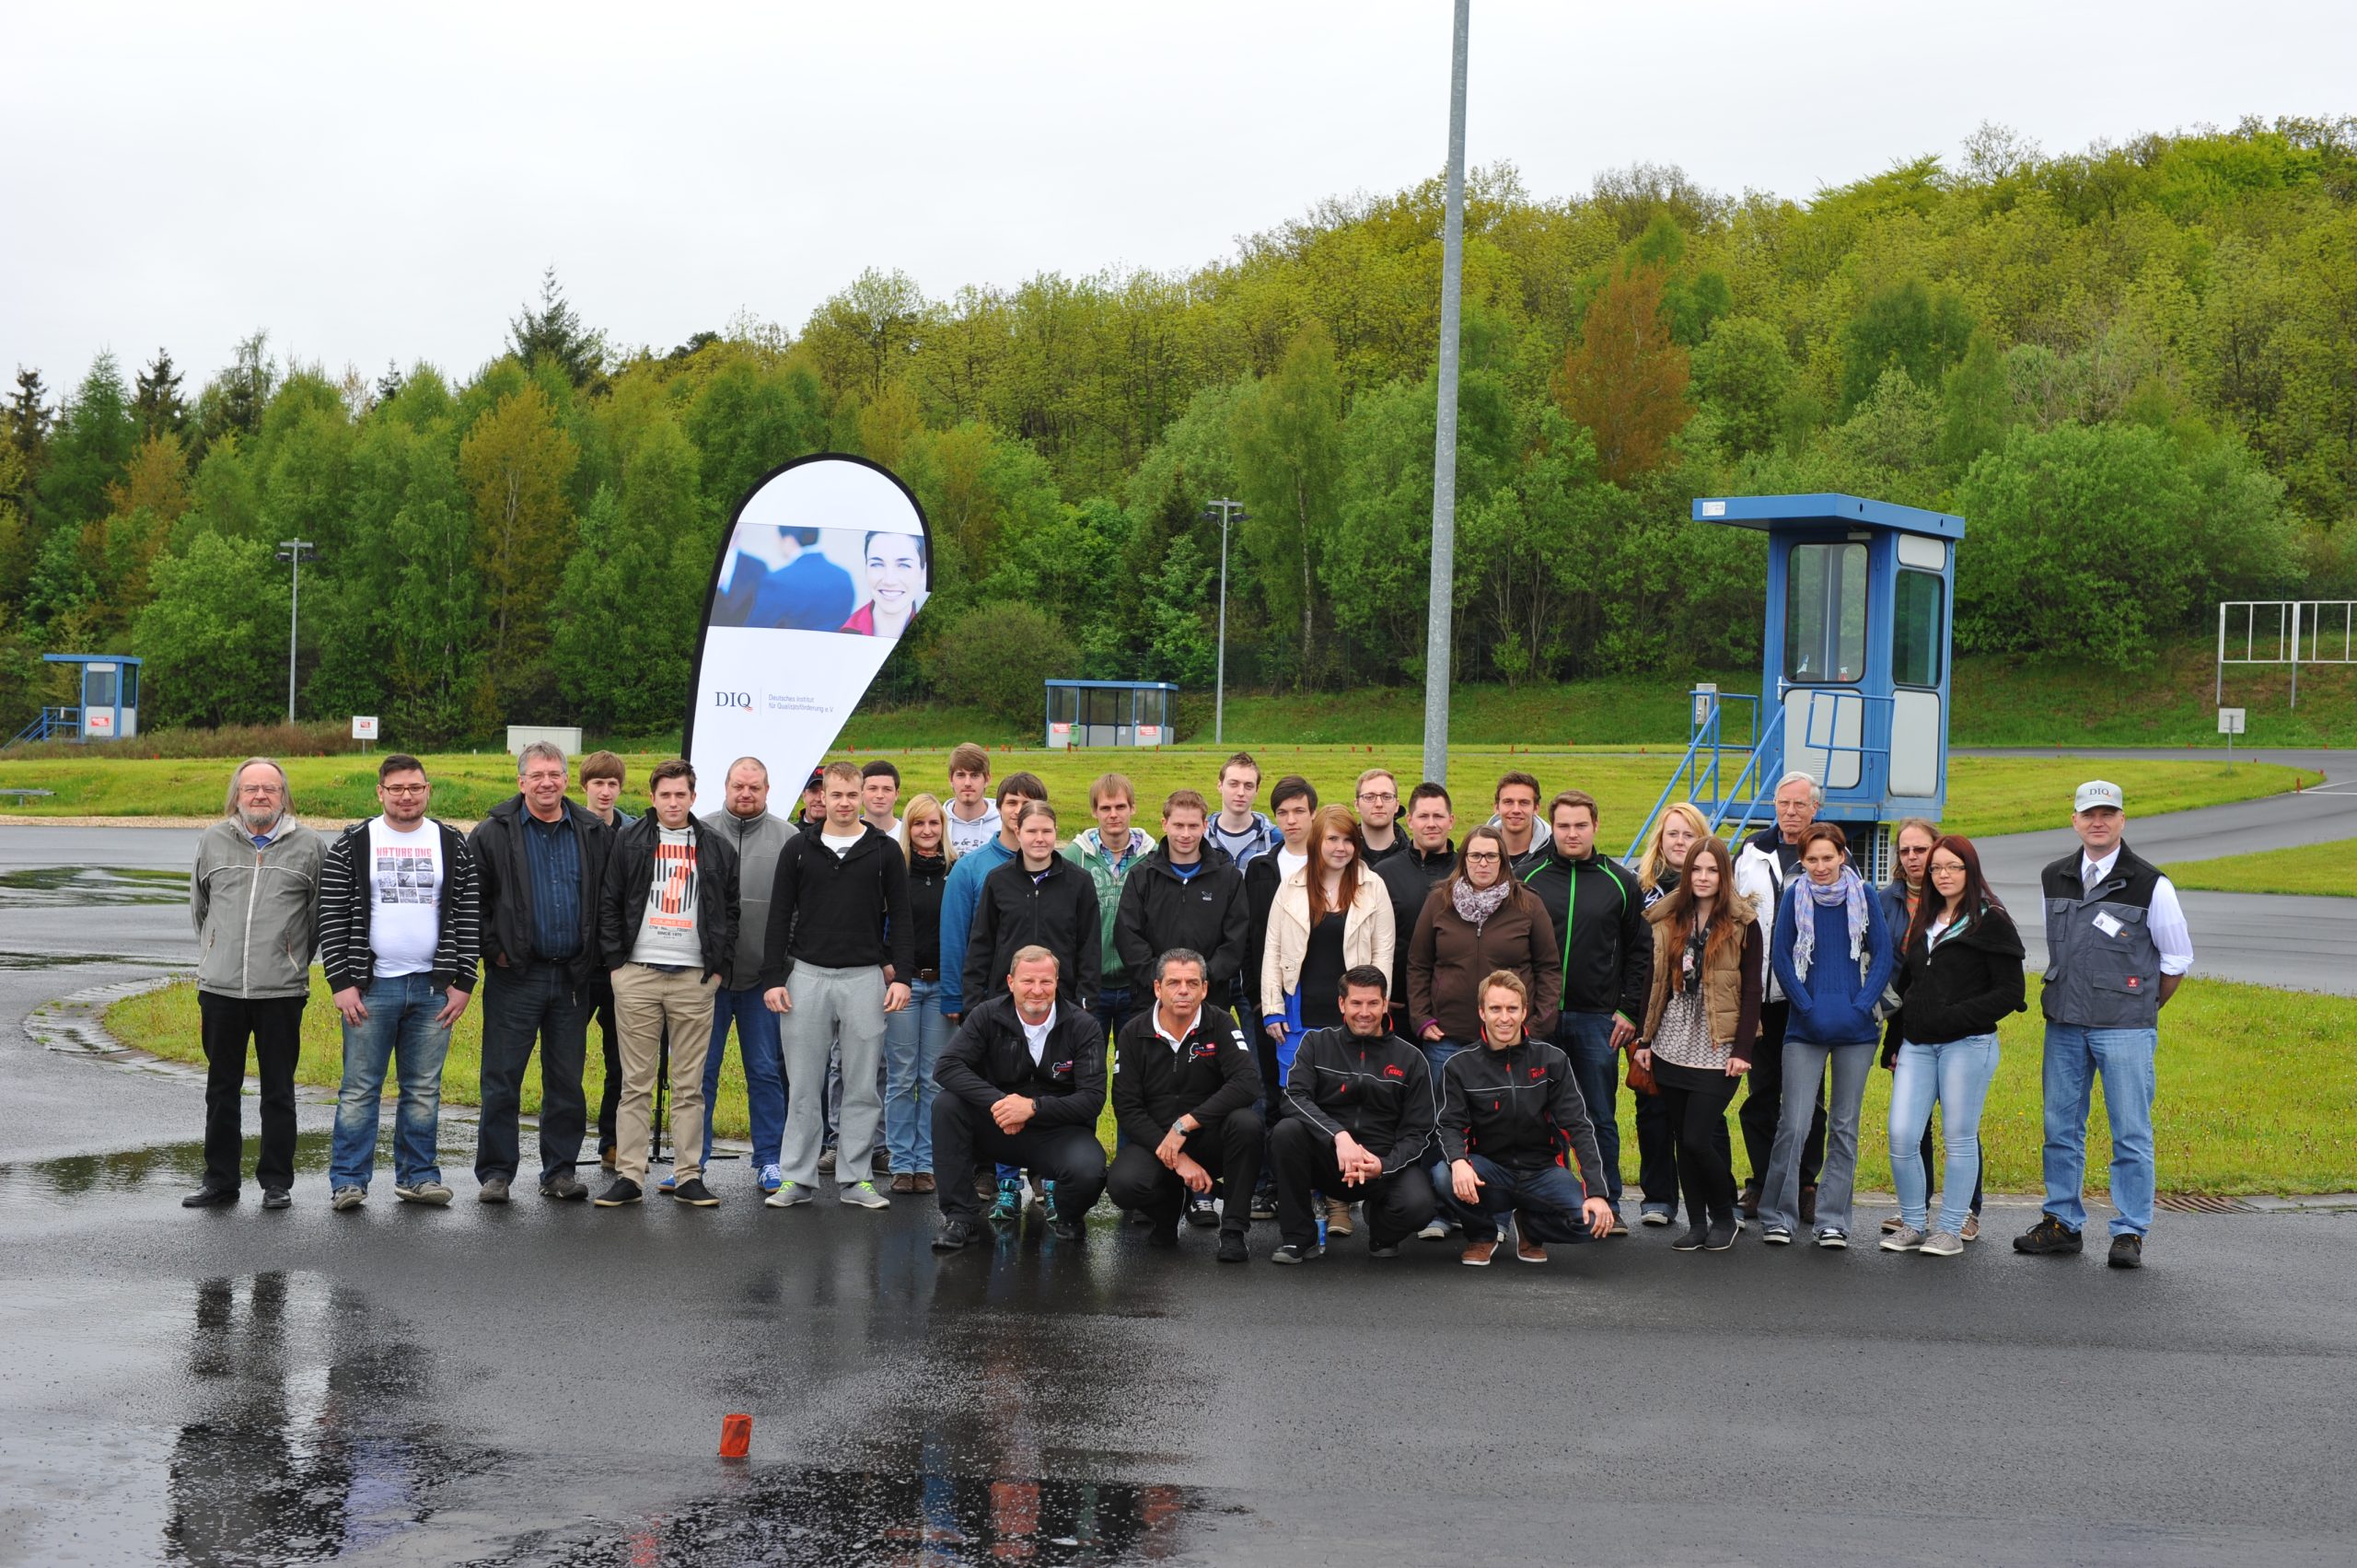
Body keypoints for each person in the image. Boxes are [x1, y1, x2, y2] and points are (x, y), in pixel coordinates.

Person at [2015, 780, 2194, 1270]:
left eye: (2108, 813)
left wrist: (2139, 1008)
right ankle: (2062, 1223)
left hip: (2125, 1028)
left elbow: (2176, 960)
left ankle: (2130, 1230)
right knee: (2060, 1127)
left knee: (2131, 1131)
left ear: (2122, 820)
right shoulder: (2054, 875)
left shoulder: (2151, 883)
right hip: (2066, 1024)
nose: (2098, 822)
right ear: (2074, 820)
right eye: (2089, 814)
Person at [319, 755, 481, 1211]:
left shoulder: (451, 842)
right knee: (359, 1088)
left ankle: (418, 1178)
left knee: (424, 1089)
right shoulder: (355, 841)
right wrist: (341, 981)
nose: (406, 796)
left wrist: (464, 979)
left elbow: (469, 914)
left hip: (434, 989)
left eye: (414, 787)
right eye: (396, 788)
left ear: (428, 790)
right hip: (371, 988)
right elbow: (330, 915)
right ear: (380, 792)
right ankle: (348, 1181)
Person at [760, 761, 912, 1211]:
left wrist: (901, 976)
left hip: (864, 979)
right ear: (822, 797)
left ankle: (857, 1179)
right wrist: (773, 977)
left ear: (863, 796)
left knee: (862, 1085)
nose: (844, 803)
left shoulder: (884, 851)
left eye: (852, 795)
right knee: (804, 1085)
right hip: (806, 976)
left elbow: (900, 918)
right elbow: (777, 914)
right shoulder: (799, 849)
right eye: (836, 795)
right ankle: (796, 1179)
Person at [469, 742, 612, 1203]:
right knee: (502, 1077)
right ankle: (496, 1173)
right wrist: (497, 950)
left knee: (566, 1080)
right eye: (537, 775)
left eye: (554, 773)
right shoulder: (493, 833)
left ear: (567, 779)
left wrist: (595, 958)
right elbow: (474, 902)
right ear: (521, 781)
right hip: (516, 977)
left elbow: (607, 900)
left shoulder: (592, 831)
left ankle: (560, 1171)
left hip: (573, 978)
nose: (546, 782)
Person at [595, 759, 739, 1208]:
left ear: (694, 798)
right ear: (652, 797)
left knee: (689, 1083)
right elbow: (609, 903)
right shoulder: (629, 840)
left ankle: (688, 1175)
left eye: (681, 795)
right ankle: (630, 1176)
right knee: (635, 1083)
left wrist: (716, 971)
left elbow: (730, 914)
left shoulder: (716, 847)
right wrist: (618, 968)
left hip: (694, 979)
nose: (673, 802)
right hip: (637, 975)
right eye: (665, 795)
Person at [182, 759, 324, 1210]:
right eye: (251, 789)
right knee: (221, 1089)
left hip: (280, 991)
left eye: (270, 789)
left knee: (278, 1091)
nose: (260, 796)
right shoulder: (212, 840)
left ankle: (276, 1182)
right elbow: (199, 909)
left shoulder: (309, 846)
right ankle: (220, 1181)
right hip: (220, 989)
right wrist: (216, 952)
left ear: (284, 796)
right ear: (237, 795)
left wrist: (290, 958)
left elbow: (317, 919)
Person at [1406, 823, 1559, 1237]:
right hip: (1448, 1038)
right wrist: (1422, 1018)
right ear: (1464, 860)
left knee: (1502, 1126)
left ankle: (1497, 1212)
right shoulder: (1439, 901)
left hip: (1508, 1040)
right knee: (1444, 1122)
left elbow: (1548, 968)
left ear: (1503, 861)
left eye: (1491, 856)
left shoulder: (1526, 903)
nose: (1483, 863)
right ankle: (1441, 1211)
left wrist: (1539, 1023)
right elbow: (1419, 963)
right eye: (1475, 855)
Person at [1884, 835, 2025, 1257]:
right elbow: (1911, 985)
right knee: (1902, 1134)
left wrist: (1954, 1017)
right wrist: (1895, 1039)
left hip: (1968, 1044)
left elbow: (2010, 993)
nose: (1943, 875)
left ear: (1970, 870)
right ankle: (1913, 1223)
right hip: (1917, 1045)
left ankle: (1949, 1229)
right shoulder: (1925, 918)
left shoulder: (1991, 919)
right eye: (1936, 868)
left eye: (1952, 867)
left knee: (1959, 1138)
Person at [1517, 790, 1650, 1234]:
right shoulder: (1528, 875)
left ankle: (1607, 1201)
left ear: (1596, 826)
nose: (1571, 833)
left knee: (1597, 1115)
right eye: (1563, 826)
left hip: (1598, 1020)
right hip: (1539, 1019)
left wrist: (1629, 1012)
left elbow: (1639, 952)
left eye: (1580, 825)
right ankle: (1549, 1202)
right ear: (1551, 827)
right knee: (1539, 1114)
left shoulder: (1621, 881)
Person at [1761, 823, 1895, 1248]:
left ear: (1842, 856)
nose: (1820, 867)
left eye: (1827, 857)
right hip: (1806, 1027)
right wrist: (1806, 1005)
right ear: (1803, 860)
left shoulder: (1866, 896)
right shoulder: (1794, 897)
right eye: (1811, 859)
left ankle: (1832, 1220)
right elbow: (1781, 957)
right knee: (1794, 1124)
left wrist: (1861, 1005)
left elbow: (1884, 956)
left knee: (1843, 1127)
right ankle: (1777, 1216)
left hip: (1856, 1032)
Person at [929, 947, 1109, 1250]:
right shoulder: (987, 1015)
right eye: (1028, 981)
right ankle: (961, 1217)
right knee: (946, 1105)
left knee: (1089, 1170)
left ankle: (1068, 1214)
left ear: (1057, 982)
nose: (1037, 990)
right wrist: (1001, 1104)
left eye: (1046, 982)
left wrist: (1032, 1109)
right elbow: (946, 1067)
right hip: (998, 1126)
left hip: (1057, 1132)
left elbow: (1092, 1099)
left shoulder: (1083, 1026)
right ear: (1011, 982)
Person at [1434, 970, 1616, 1264]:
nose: (1504, 1018)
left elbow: (1578, 1127)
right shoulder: (1460, 1065)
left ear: (1524, 1012)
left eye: (1512, 1009)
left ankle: (1530, 1226)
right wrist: (1458, 1162)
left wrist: (1596, 1192)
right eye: (1495, 1009)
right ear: (1481, 1012)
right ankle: (1482, 1235)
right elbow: (1450, 1125)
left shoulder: (1552, 1060)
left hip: (1543, 1172)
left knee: (1594, 1223)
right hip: (1489, 1170)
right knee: (1443, 1175)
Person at [1633, 835, 1759, 1253]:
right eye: (1696, 870)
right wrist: (1645, 1040)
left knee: (1696, 1137)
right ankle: (1697, 1223)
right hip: (1672, 1039)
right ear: (1687, 875)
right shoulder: (1669, 919)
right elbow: (1656, 986)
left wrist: (1743, 1050)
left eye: (1712, 870)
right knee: (1679, 1135)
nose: (1703, 878)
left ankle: (1724, 1216)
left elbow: (1753, 991)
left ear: (1724, 876)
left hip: (1718, 1042)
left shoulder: (1744, 923)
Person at [1269, 966, 1437, 1262]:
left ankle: (1382, 1229)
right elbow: (1293, 1097)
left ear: (1385, 1004)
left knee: (1419, 1206)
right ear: (1342, 1004)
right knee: (1286, 1132)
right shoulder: (1316, 1044)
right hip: (1327, 1157)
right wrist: (1338, 1136)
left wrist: (1384, 1165)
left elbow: (1419, 1131)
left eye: (1373, 1003)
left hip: (1382, 1163)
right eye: (1356, 1003)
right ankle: (1299, 1238)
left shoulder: (1411, 1058)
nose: (1365, 1012)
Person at [1105, 949, 1261, 1261]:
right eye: (1174, 982)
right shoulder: (1133, 1032)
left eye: (1192, 983)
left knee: (1248, 1124)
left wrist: (1186, 1123)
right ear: (1157, 988)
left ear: (1204, 989)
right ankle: (1168, 1213)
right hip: (1158, 1142)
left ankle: (1233, 1231)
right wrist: (1178, 1158)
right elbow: (1126, 1107)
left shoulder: (1220, 1023)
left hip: (1210, 1135)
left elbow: (1248, 1083)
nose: (1183, 990)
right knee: (1123, 1184)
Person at [1874, 818, 1985, 1238]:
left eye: (1922, 849)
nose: (1914, 858)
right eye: (1905, 851)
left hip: (1959, 1027)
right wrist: (1894, 1033)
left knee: (1960, 1125)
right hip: (1909, 1021)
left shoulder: (1965, 904)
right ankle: (1914, 1210)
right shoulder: (1887, 900)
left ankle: (1966, 1212)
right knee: (1911, 1122)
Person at [1733, 771, 1829, 1221]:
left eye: (1800, 805)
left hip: (1807, 1000)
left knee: (1807, 1098)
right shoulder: (1752, 851)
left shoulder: (1827, 855)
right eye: (1783, 804)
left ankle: (1806, 1182)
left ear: (1815, 808)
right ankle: (1762, 1181)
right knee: (1760, 1095)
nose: (1791, 813)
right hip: (1761, 999)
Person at [697, 757, 794, 1193]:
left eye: (754, 787)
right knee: (700, 1073)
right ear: (726, 785)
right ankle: (690, 1162)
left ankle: (770, 1159)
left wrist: (783, 970)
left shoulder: (788, 838)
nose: (746, 794)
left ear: (768, 790)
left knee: (765, 1072)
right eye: (739, 786)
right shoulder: (700, 831)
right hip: (707, 980)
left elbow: (799, 912)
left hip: (762, 981)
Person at [1260, 804, 1395, 1086]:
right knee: (1298, 1096)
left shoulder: (1373, 886)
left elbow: (1384, 953)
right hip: (1298, 1015)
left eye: (1348, 840)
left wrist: (1377, 1007)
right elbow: (1273, 949)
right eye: (1332, 839)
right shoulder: (1291, 887)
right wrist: (1273, 1008)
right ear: (1317, 840)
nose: (1341, 848)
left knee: (1349, 1093)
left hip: (1354, 1013)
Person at [1628, 801, 1710, 1225]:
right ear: (1660, 839)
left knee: (1701, 1113)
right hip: (1648, 1012)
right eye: (1673, 834)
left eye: (1689, 834)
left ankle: (1714, 1198)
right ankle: (1658, 1197)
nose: (1680, 842)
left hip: (1699, 1016)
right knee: (1652, 1106)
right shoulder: (1638, 888)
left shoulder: (1713, 887)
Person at [1114, 788, 1249, 1003]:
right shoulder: (1142, 876)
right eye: (1178, 825)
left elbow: (1236, 939)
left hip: (1210, 998)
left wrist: (1202, 980)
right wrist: (1161, 980)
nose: (1185, 834)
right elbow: (1128, 935)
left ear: (1205, 826)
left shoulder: (1228, 877)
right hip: (1152, 998)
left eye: (1193, 826)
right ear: (1164, 824)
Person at [935, 772, 1050, 1024]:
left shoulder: (1055, 869)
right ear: (998, 808)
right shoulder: (969, 868)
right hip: (988, 996)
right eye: (1012, 803)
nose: (1019, 811)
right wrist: (955, 997)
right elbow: (955, 936)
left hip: (1044, 998)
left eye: (1027, 803)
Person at [884, 795, 955, 1194]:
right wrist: (886, 964)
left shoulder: (956, 872)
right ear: (907, 830)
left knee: (933, 1079)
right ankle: (900, 1163)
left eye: (934, 823)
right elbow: (875, 920)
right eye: (918, 824)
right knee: (900, 1076)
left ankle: (926, 1163)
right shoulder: (895, 870)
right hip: (904, 987)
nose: (927, 831)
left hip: (942, 985)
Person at [967, 801, 1100, 1013]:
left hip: (1063, 1003)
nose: (1040, 839)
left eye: (1046, 831)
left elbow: (1089, 948)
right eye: (1032, 831)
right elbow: (981, 945)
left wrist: (1085, 1002)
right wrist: (974, 1002)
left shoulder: (1079, 882)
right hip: (1006, 1001)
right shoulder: (998, 880)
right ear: (1018, 832)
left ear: (1055, 832)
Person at [1062, 772, 1155, 1042]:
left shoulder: (1153, 856)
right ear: (1094, 812)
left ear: (1133, 808)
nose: (1113, 815)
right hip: (1091, 984)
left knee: (1135, 1064)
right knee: (1088, 1062)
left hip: (1137, 984)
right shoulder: (1074, 857)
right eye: (1105, 808)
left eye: (1120, 807)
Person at [577, 749, 633, 1168]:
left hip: (623, 964)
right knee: (567, 1060)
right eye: (598, 783)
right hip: (578, 965)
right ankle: (562, 1148)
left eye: (612, 783)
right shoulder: (570, 828)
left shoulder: (634, 831)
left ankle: (613, 1142)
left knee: (623, 1061)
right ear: (584, 787)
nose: (606, 791)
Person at [1240, 774, 1318, 1035]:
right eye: (1282, 813)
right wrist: (1257, 998)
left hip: (1319, 993)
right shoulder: (1260, 867)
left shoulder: (1329, 866)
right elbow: (1250, 935)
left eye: (1299, 811)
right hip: (1270, 995)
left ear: (1313, 814)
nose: (1291, 820)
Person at [1374, 781, 1456, 1008]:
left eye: (1438, 816)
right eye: (1423, 816)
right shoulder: (1383, 874)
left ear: (1451, 821)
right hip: (1395, 1004)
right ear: (1409, 821)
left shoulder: (1466, 872)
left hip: (1449, 1006)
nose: (1431, 824)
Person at [714, 523, 854, 630]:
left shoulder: (777, 581)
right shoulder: (844, 577)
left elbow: (755, 628)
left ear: (788, 540)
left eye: (778, 539)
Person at [842, 528, 925, 637]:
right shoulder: (842, 634)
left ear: (923, 574)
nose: (889, 581)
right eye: (877, 564)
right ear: (866, 569)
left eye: (904, 565)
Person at [1207, 751, 1281, 871]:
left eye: (1248, 786)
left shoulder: (1276, 840)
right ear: (1220, 786)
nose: (1241, 792)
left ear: (1257, 790)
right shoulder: (1199, 836)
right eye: (1233, 784)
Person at [943, 742, 1002, 857]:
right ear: (950, 779)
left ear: (987, 779)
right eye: (961, 775)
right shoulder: (936, 822)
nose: (967, 783)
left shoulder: (1003, 824)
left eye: (975, 775)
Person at [1489, 771, 1548, 874]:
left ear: (1536, 809)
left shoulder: (1553, 853)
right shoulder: (1476, 852)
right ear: (1497, 807)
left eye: (1524, 803)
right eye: (1508, 802)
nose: (1516, 810)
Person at [1354, 768, 1406, 864]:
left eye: (1386, 797)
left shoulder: (1416, 858)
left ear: (1397, 805)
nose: (1379, 804)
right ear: (1357, 805)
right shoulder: (1342, 857)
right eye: (1369, 797)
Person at [860, 759, 902, 836]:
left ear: (897, 794)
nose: (880, 795)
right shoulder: (848, 833)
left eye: (887, 789)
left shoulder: (910, 834)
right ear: (861, 792)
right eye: (872, 789)